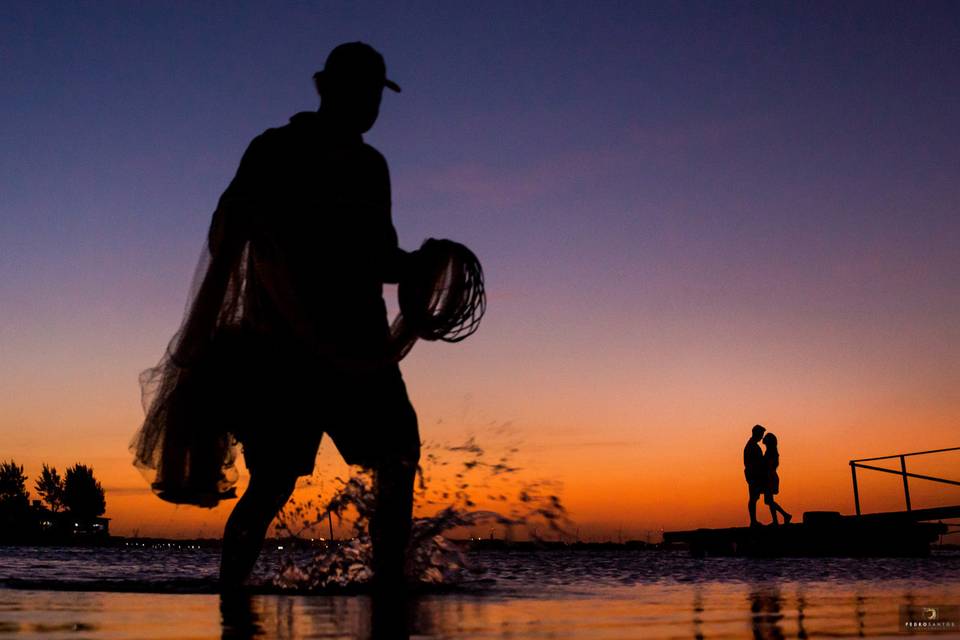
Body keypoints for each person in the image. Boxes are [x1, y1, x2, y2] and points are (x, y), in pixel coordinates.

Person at [208, 41, 419, 590]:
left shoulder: (368, 165)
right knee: (277, 483)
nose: (372, 104)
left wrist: (419, 264)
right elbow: (227, 232)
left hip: (349, 349)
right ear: (327, 89)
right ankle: (236, 603)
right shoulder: (279, 151)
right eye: (364, 91)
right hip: (292, 353)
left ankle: (385, 590)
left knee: (395, 461)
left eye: (377, 93)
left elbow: (382, 258)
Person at [761, 432, 792, 525]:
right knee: (769, 500)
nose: (764, 439)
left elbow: (769, 465)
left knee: (768, 500)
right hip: (770, 476)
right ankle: (777, 520)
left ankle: (785, 515)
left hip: (770, 477)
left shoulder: (771, 452)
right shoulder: (771, 451)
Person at [743, 424, 767, 526]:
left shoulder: (752, 445)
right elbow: (754, 462)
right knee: (753, 498)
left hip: (753, 475)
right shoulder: (752, 446)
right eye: (761, 434)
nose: (762, 437)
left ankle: (753, 521)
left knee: (754, 498)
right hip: (754, 475)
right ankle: (753, 521)